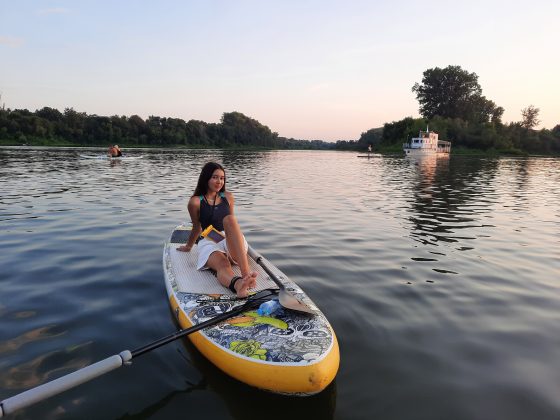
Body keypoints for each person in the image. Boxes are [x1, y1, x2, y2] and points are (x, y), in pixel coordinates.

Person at [177, 162, 258, 297]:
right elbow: (197, 227)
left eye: (222, 178)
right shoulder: (195, 202)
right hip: (210, 238)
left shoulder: (228, 197)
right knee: (222, 264)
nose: (219, 181)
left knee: (230, 219)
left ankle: (246, 275)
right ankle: (239, 285)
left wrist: (231, 239)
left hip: (229, 239)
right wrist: (188, 246)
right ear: (206, 178)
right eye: (215, 177)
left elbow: (232, 227)